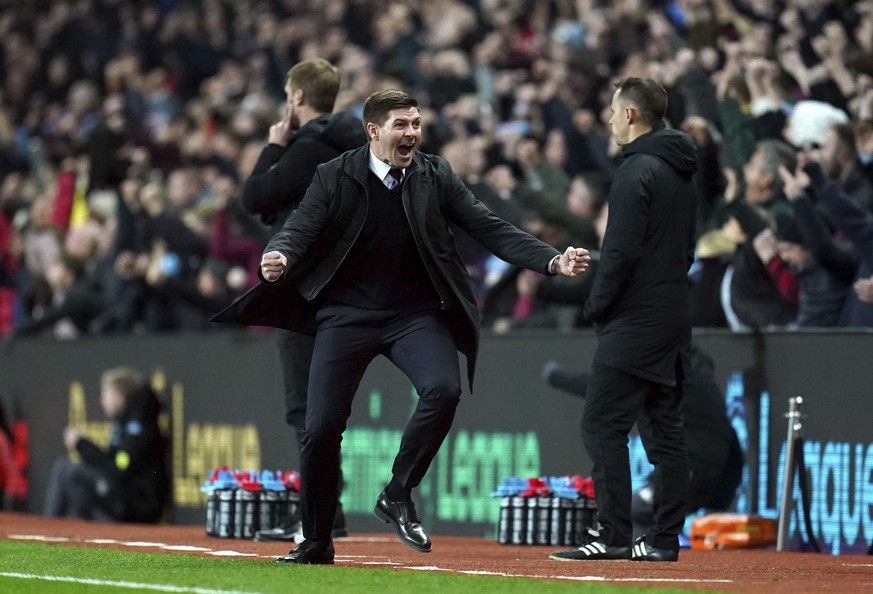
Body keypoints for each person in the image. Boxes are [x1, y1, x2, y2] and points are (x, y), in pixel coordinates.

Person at [213, 88, 590, 564]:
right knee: (321, 426)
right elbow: (301, 226)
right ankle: (315, 539)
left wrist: (552, 261)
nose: (412, 133)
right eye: (401, 125)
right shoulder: (335, 174)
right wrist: (280, 255)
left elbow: (490, 227)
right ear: (373, 131)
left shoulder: (435, 175)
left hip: (414, 314)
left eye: (416, 123)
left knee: (443, 389)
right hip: (346, 315)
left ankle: (398, 491)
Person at [550, 77, 697, 563]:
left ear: (631, 115)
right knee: (663, 431)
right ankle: (662, 539)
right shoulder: (681, 170)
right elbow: (686, 247)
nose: (610, 119)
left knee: (601, 425)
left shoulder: (636, 171)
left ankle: (612, 535)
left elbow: (620, 251)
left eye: (614, 111)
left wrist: (597, 304)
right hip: (673, 314)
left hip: (636, 319)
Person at [240, 58, 366, 542]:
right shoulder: (355, 146)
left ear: (296, 98)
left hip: (302, 289)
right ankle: (326, 507)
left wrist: (273, 145)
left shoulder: (306, 148)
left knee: (304, 406)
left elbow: (254, 196)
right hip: (345, 289)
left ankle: (317, 511)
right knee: (325, 403)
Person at [543, 342, 744, 538]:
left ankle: (642, 568)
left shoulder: (663, 367)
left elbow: (605, 388)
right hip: (720, 476)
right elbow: (724, 434)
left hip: (691, 468)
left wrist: (556, 377)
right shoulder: (696, 371)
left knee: (632, 516)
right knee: (661, 519)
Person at [44, 366, 169, 523]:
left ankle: (88, 533)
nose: (102, 400)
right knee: (64, 467)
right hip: (123, 495)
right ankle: (51, 528)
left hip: (137, 506)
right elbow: (113, 461)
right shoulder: (125, 422)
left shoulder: (138, 426)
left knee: (71, 472)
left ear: (120, 396)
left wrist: (82, 445)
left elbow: (119, 467)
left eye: (106, 394)